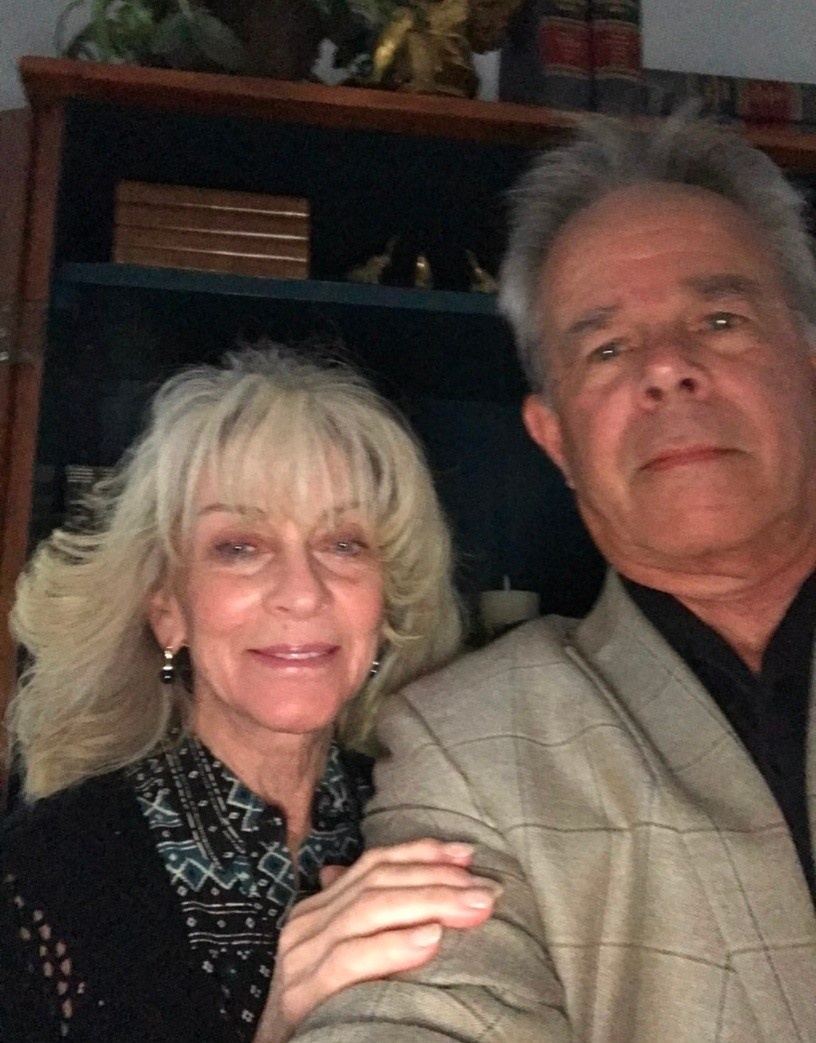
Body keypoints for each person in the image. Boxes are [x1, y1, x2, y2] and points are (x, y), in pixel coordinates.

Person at [292, 116, 816, 1042]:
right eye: (607, 348)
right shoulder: (468, 742)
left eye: (720, 321)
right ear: (555, 438)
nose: (668, 369)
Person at [0, 346, 501, 1043]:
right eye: (240, 546)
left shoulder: (443, 820)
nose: (302, 592)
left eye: (343, 543)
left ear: (388, 602)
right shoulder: (42, 872)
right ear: (167, 609)